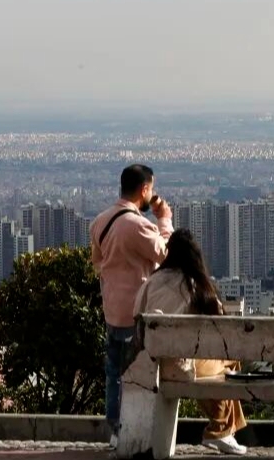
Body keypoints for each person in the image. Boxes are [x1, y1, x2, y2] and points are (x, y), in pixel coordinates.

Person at [134, 229, 248, 456]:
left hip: (149, 365)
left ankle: (224, 430)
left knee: (222, 365)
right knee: (229, 362)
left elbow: (136, 315)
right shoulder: (195, 285)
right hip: (181, 367)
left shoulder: (152, 281)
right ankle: (220, 430)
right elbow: (220, 321)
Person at [90, 164, 173, 447]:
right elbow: (166, 254)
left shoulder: (100, 222)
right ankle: (136, 432)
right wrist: (164, 220)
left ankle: (116, 430)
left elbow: (98, 262)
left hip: (112, 310)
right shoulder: (138, 226)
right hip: (136, 313)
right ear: (144, 189)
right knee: (138, 377)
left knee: (113, 375)